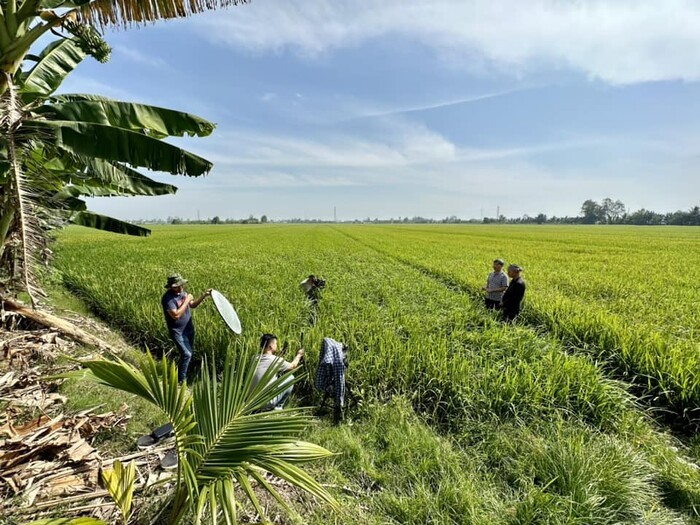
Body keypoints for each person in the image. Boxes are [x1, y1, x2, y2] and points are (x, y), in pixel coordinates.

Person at [161, 273, 211, 384]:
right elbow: (176, 315)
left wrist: (204, 296)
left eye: (182, 285)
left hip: (189, 329)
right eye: (179, 285)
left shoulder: (182, 293)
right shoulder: (168, 299)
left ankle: (180, 373)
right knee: (187, 354)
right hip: (178, 332)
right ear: (172, 287)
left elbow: (192, 305)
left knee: (188, 354)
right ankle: (181, 381)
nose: (182, 287)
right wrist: (187, 300)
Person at [252, 333, 305, 410]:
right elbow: (293, 366)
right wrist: (299, 355)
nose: (277, 345)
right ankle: (278, 406)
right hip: (266, 403)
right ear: (271, 346)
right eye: (276, 344)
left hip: (252, 402)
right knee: (290, 377)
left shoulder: (254, 358)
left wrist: (280, 355)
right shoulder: (275, 360)